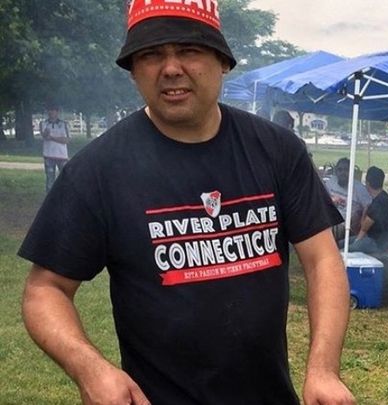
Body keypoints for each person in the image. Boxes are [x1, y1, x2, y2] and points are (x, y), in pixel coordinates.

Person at [19, 3, 355, 405]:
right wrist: (90, 369)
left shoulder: (277, 150)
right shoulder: (98, 169)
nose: (171, 68)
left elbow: (321, 259)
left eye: (189, 50)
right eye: (151, 54)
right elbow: (45, 290)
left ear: (222, 61)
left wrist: (323, 370)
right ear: (133, 70)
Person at [346, 167, 388, 253]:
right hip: (385, 238)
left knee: (345, 249)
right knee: (341, 243)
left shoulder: (377, 204)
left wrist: (365, 210)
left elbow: (363, 229)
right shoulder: (384, 196)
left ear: (367, 183)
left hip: (378, 242)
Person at [324, 157, 372, 238]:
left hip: (345, 225)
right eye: (340, 170)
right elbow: (323, 199)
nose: (342, 173)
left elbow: (369, 206)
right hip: (328, 218)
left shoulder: (359, 188)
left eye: (346, 170)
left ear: (351, 172)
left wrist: (361, 220)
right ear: (336, 171)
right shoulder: (331, 182)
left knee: (328, 231)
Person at [40, 104, 70, 192]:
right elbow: (44, 136)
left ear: (57, 112)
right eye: (49, 110)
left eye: (53, 110)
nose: (51, 112)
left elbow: (66, 140)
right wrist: (46, 134)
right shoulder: (44, 123)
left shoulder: (64, 124)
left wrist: (52, 138)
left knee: (65, 179)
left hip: (62, 156)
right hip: (49, 155)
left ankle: (64, 195)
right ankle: (50, 197)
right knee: (50, 180)